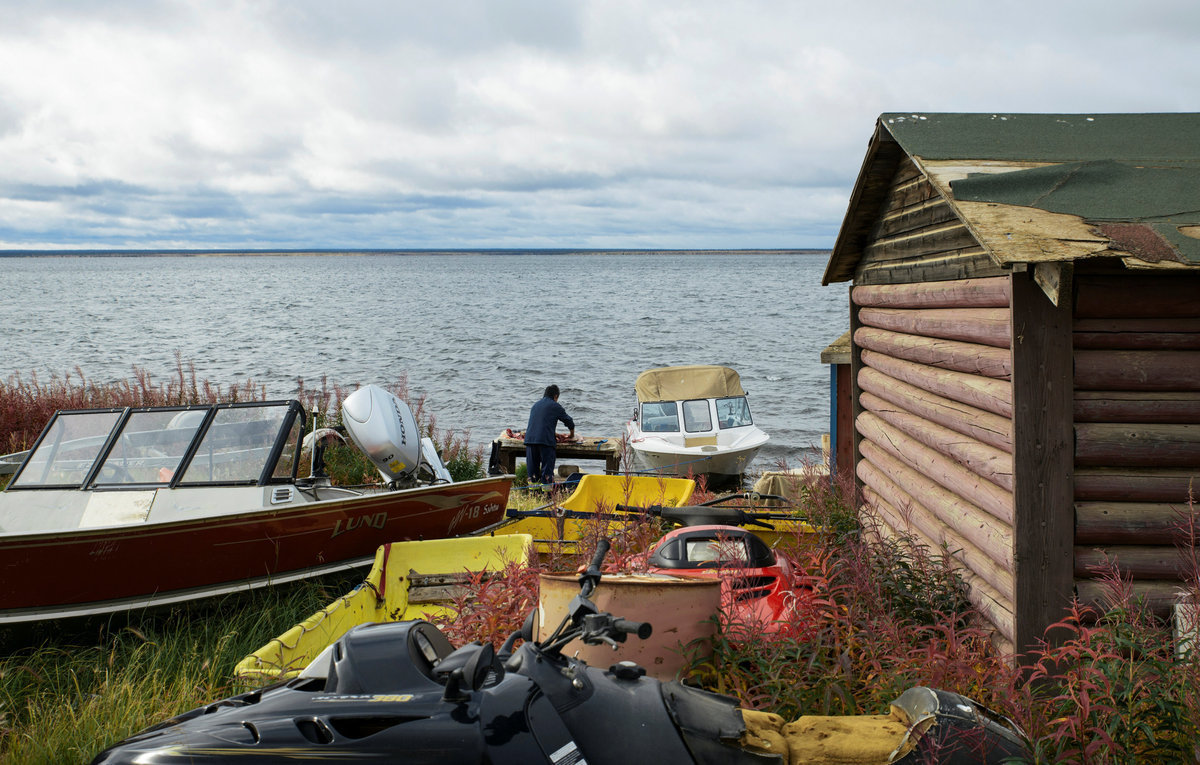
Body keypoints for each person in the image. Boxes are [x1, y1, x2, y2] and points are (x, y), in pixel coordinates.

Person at [525, 384, 575, 486]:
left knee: (532, 473)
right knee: (547, 472)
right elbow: (569, 421)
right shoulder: (555, 406)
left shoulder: (535, 405)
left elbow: (539, 424)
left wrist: (554, 433)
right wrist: (571, 435)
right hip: (545, 442)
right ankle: (547, 496)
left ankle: (533, 496)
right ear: (556, 396)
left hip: (530, 440)